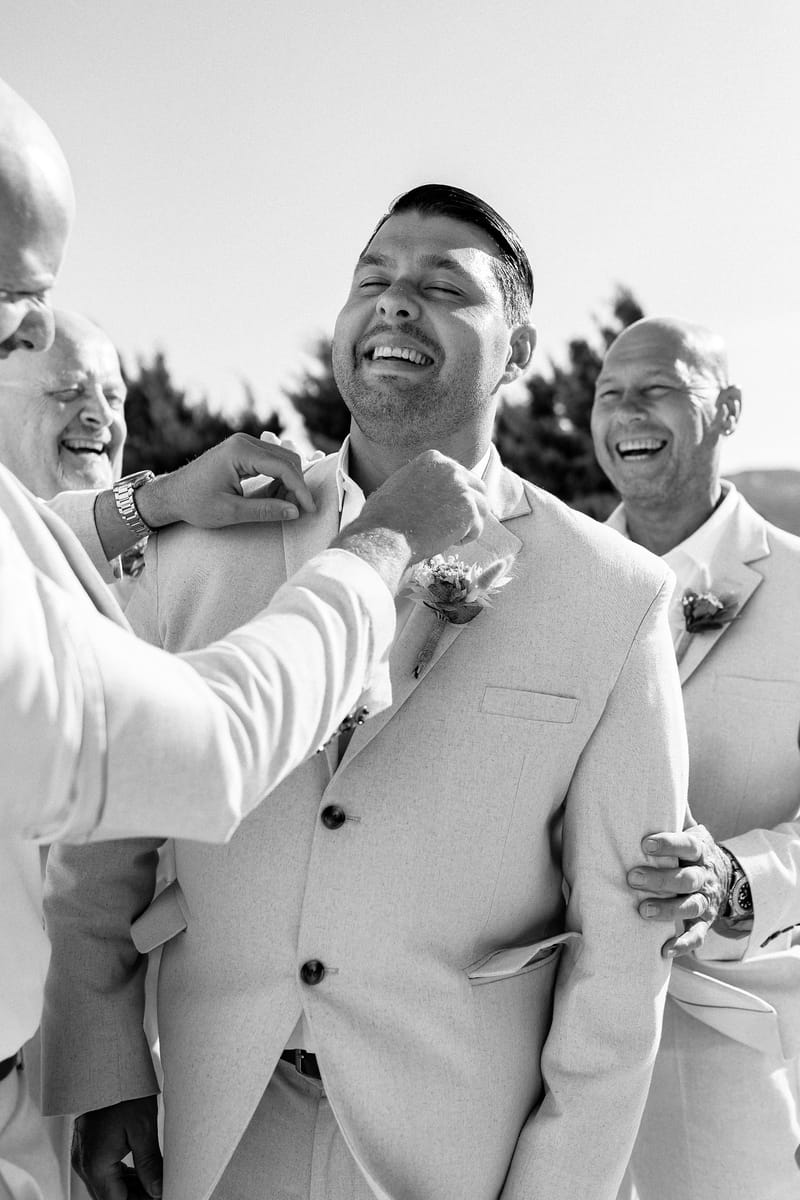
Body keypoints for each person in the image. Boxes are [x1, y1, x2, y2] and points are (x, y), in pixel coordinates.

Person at [44, 185, 687, 1200]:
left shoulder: (617, 598)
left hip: (453, 1144)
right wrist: (104, 1065)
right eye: (372, 279)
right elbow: (102, 847)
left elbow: (621, 955)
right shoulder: (203, 540)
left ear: (518, 351)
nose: (393, 303)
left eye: (441, 286)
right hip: (206, 1118)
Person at [0, 76, 489, 1200]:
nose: (30, 319)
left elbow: (47, 535)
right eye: (15, 290)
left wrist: (155, 498)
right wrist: (373, 556)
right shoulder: (200, 566)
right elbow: (204, 749)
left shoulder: (605, 588)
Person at [591, 315, 800, 1200]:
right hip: (546, 1060)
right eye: (607, 395)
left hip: (738, 1048)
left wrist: (740, 880)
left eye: (657, 388)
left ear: (730, 409)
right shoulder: (541, 584)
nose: (625, 412)